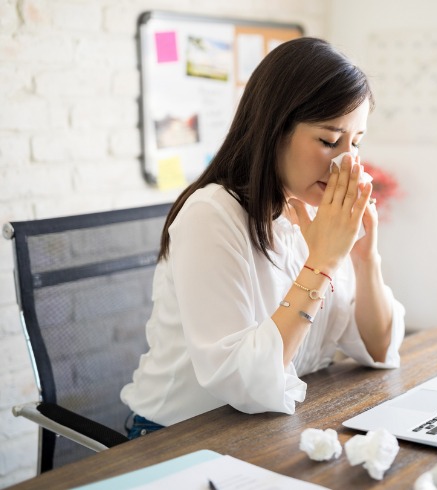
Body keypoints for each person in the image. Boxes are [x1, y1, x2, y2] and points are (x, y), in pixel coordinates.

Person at [120, 37, 406, 438]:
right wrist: (321, 263)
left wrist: (363, 256)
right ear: (274, 130)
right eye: (328, 140)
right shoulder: (212, 215)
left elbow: (378, 348)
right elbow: (241, 383)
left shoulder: (313, 210)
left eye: (355, 143)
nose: (347, 161)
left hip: (269, 431)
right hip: (178, 437)